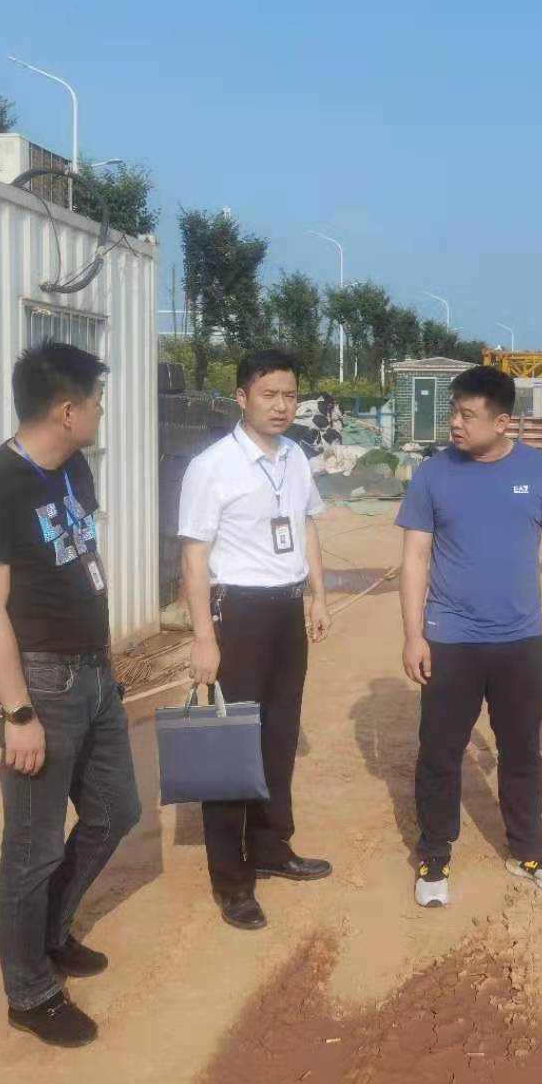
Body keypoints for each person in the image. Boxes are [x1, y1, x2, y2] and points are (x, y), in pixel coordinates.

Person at [0, 342, 141, 1049]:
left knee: (116, 810)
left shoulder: (74, 469)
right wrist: (18, 713)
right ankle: (29, 992)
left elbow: (80, 563)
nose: (100, 412)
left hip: (93, 673)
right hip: (39, 684)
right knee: (31, 849)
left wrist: (104, 664)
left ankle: (50, 931)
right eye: (95, 401)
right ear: (67, 410)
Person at [397, 365, 542, 908]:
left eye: (467, 415)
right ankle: (434, 853)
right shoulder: (433, 474)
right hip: (450, 638)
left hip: (519, 640)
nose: (455, 423)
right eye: (453, 412)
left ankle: (528, 850)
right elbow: (414, 558)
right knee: (440, 752)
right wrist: (413, 634)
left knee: (522, 751)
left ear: (502, 423)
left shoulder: (538, 470)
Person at [179, 349, 332, 931]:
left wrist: (318, 594)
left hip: (285, 610)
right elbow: (194, 558)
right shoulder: (211, 466)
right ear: (242, 398)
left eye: (290, 395)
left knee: (279, 737)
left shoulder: (295, 457)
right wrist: (203, 637)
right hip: (236, 613)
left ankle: (270, 846)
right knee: (230, 746)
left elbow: (305, 525)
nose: (281, 405)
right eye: (269, 395)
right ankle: (231, 879)